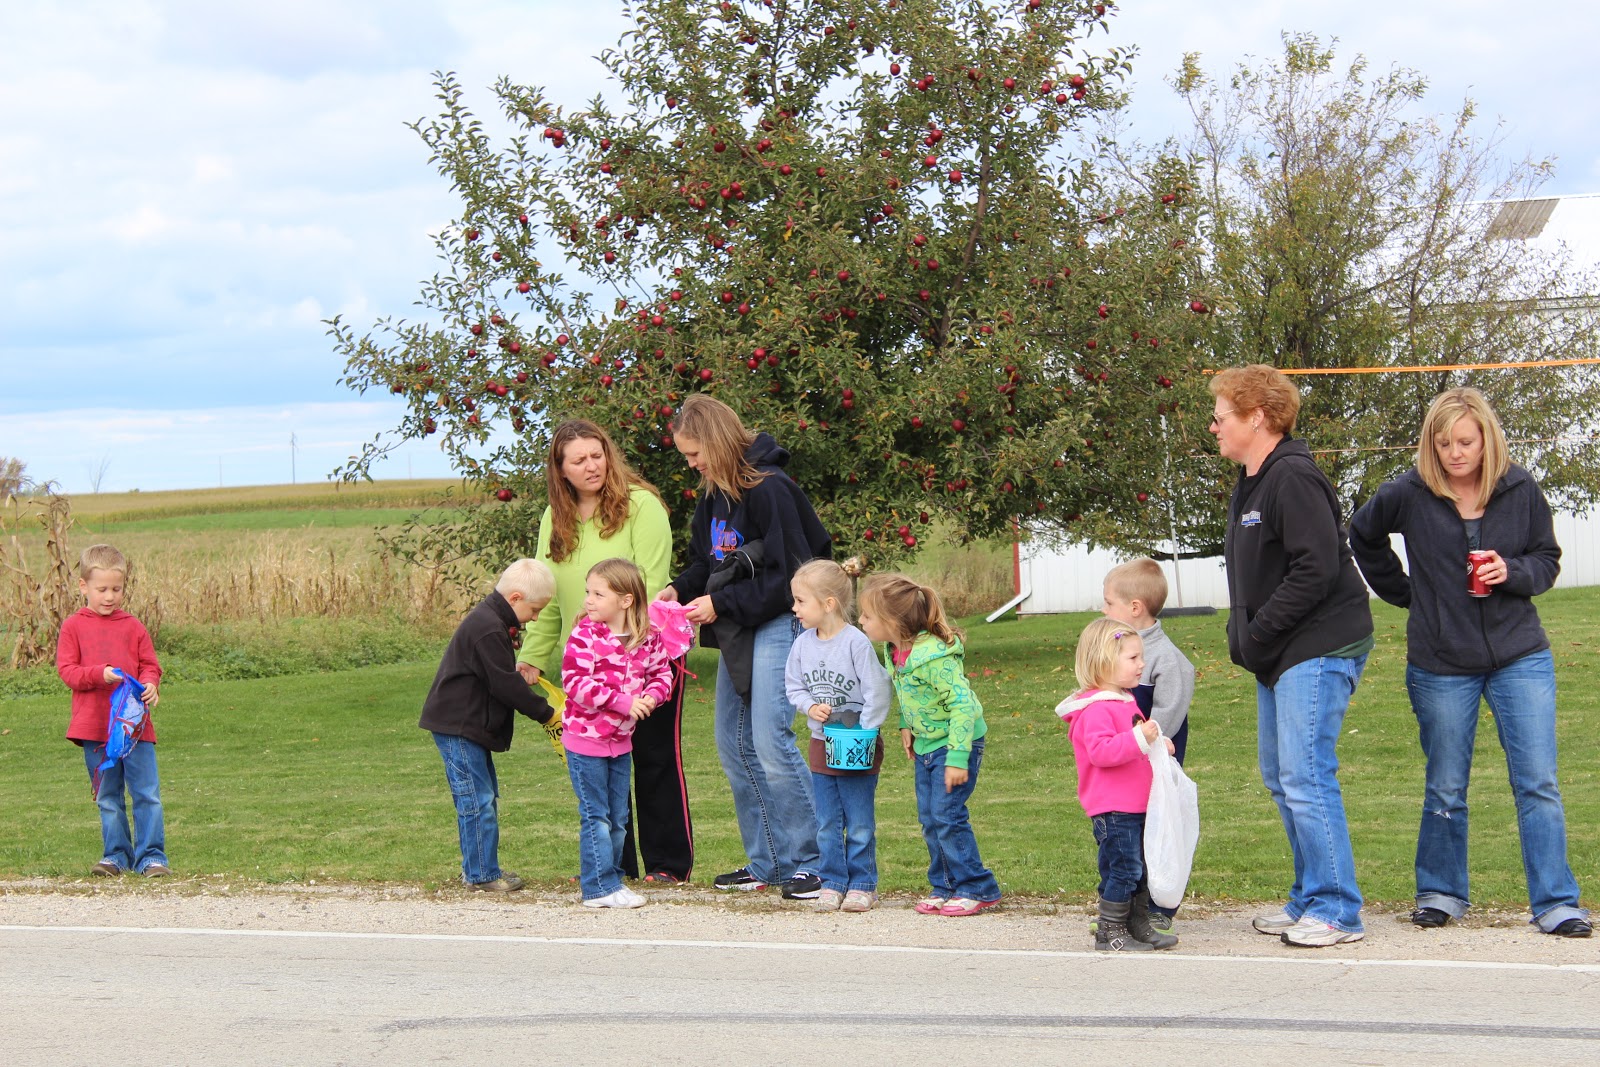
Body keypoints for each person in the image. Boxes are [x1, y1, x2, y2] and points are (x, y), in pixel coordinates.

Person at [1349, 387, 1590, 938]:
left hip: (1520, 656)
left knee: (1538, 783)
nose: (1455, 452)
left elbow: (1547, 561)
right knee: (1445, 785)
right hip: (1440, 660)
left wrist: (1513, 572)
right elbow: (1362, 535)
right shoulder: (1407, 492)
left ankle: (1556, 903)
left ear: (1486, 439)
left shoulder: (1521, 487)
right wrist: (1406, 592)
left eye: (1465, 441)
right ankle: (1440, 893)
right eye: (1444, 442)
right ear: (1431, 445)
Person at [1211, 364, 1374, 948]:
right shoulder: (1253, 480)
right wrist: (1247, 636)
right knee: (1282, 779)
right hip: (1279, 652)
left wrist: (1257, 635)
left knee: (1305, 776)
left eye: (1222, 416)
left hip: (1321, 643)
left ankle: (1337, 909)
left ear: (1258, 417)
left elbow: (1316, 569)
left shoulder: (1293, 477)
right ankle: (1309, 895)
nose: (1215, 426)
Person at [658, 394, 833, 900]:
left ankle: (816, 861)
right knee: (733, 746)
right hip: (737, 627)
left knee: (770, 740)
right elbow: (704, 562)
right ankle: (769, 862)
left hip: (780, 621)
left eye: (694, 453)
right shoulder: (714, 496)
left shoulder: (772, 491)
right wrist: (680, 589)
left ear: (714, 440)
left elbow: (793, 578)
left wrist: (720, 602)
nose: (691, 465)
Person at [514, 419, 692, 885]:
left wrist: (630, 646)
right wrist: (532, 655)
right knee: (602, 767)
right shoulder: (556, 519)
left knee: (653, 760)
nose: (592, 466)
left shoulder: (642, 506)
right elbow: (548, 595)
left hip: (646, 656)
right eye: (579, 460)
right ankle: (612, 866)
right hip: (591, 665)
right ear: (562, 470)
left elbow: (650, 587)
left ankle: (666, 865)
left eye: (597, 455)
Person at [859, 573, 1002, 917]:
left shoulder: (934, 658)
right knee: (930, 817)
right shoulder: (896, 650)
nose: (860, 621)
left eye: (866, 615)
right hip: (926, 744)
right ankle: (945, 884)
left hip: (955, 744)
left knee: (947, 815)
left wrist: (957, 757)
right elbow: (911, 695)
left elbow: (962, 706)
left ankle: (978, 887)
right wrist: (906, 725)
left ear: (892, 621)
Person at [420, 559, 555, 892]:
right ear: (515, 597)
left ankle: (480, 868)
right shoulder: (488, 627)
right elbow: (504, 686)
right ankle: (481, 875)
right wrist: (546, 713)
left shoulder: (492, 621)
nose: (535, 618)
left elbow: (497, 675)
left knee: (482, 797)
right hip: (458, 727)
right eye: (534, 609)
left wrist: (514, 673)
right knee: (476, 799)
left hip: (468, 726)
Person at [1055, 616, 1179, 952]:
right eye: (1133, 658)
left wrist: (1157, 743)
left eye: (1141, 657)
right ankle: (1110, 932)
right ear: (1104, 661)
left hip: (1137, 804)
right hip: (1114, 807)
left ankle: (1137, 923)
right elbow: (1102, 752)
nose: (1142, 664)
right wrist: (1141, 736)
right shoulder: (1096, 709)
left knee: (1139, 870)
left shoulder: (1124, 701)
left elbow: (1135, 744)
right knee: (1123, 870)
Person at [561, 558, 676, 909]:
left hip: (619, 743)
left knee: (618, 818)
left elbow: (662, 675)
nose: (589, 601)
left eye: (598, 594)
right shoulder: (585, 634)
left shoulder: (648, 638)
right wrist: (623, 703)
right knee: (596, 815)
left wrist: (650, 697)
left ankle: (610, 880)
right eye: (587, 592)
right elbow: (574, 682)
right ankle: (598, 887)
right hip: (586, 741)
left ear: (626, 600)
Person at [784, 560, 891, 913]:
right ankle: (832, 881)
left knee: (859, 821)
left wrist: (867, 731)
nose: (794, 608)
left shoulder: (855, 644)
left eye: (801, 601)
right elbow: (794, 686)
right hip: (821, 744)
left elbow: (878, 689)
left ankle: (862, 884)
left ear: (828, 603)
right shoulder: (801, 645)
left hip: (856, 742)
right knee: (828, 821)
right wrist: (809, 706)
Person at [56, 544, 167, 878]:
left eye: (116, 589)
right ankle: (115, 856)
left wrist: (150, 684)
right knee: (108, 795)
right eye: (101, 589)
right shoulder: (73, 627)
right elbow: (67, 671)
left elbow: (150, 665)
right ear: (83, 586)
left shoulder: (133, 626)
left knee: (146, 793)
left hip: (134, 728)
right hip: (94, 728)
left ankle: (151, 857)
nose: (109, 596)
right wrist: (98, 673)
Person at [1101, 556, 1196, 935]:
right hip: (1124, 760)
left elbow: (1162, 724)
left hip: (1152, 764)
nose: (1103, 609)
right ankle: (1125, 905)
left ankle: (1158, 907)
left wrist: (1144, 746)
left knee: (1156, 831)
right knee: (1124, 833)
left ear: (1134, 608)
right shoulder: (1116, 649)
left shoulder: (1167, 661)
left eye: (1109, 602)